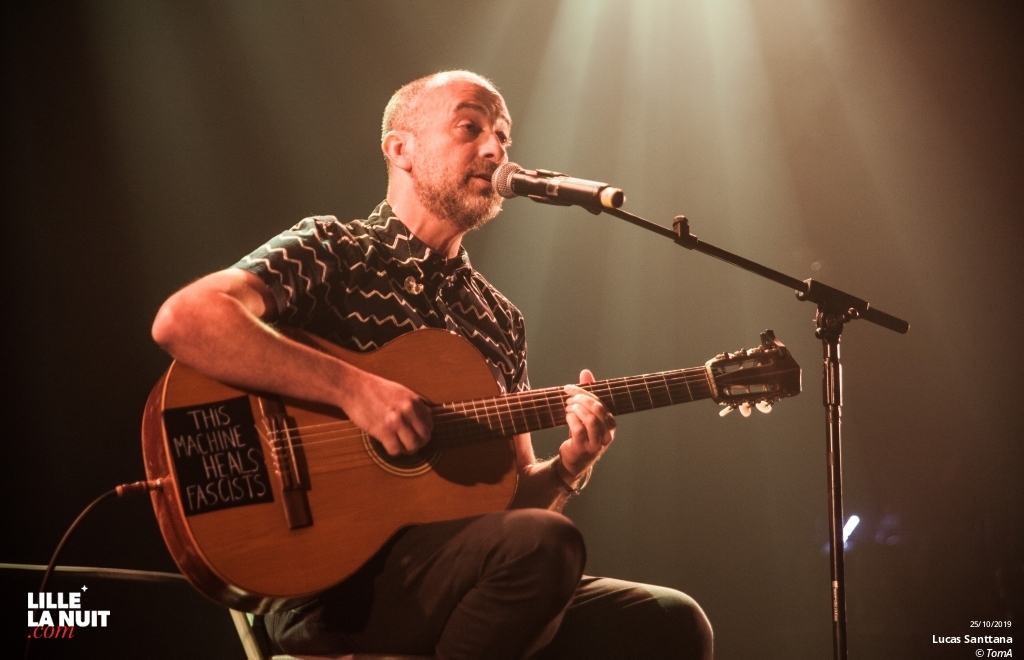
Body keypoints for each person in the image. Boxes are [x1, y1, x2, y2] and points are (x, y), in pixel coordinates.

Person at [151, 70, 713, 660]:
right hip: (335, 582)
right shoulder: (334, 251)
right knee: (544, 547)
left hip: (457, 573)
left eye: (503, 135)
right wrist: (354, 390)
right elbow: (185, 319)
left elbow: (513, 504)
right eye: (470, 128)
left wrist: (571, 465)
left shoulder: (498, 319)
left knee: (671, 623)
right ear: (401, 148)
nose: (495, 149)